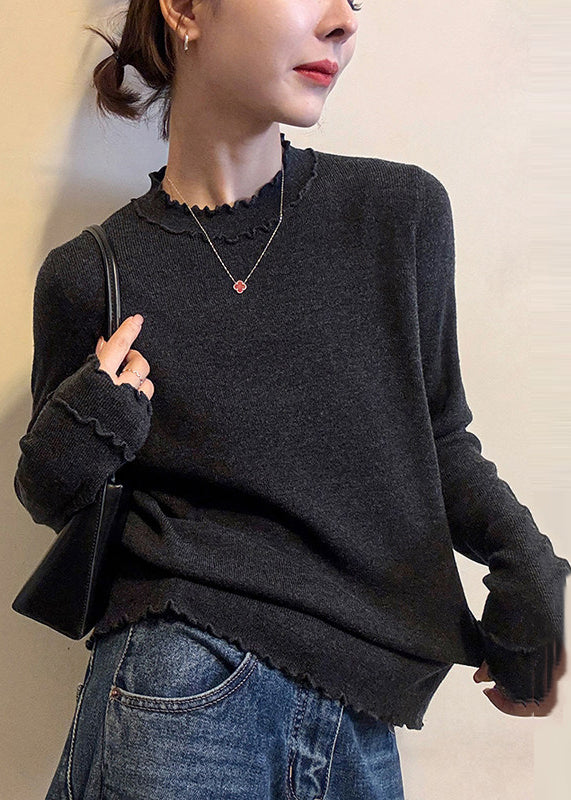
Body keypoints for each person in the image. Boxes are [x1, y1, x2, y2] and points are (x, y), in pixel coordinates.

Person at [13, 1, 570, 798]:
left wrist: (528, 564)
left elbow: (436, 436)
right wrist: (97, 414)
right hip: (182, 682)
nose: (344, 22)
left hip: (359, 714)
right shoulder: (91, 272)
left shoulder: (396, 215)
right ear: (185, 9)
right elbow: (47, 494)